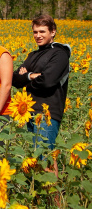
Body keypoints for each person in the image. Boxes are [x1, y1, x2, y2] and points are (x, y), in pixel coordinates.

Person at [12, 14, 70, 151]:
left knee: (44, 156)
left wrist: (26, 76)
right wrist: (32, 76)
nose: (38, 35)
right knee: (38, 159)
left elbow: (47, 81)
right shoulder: (32, 55)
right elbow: (15, 79)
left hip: (47, 114)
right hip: (29, 111)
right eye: (35, 32)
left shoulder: (59, 54)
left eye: (42, 31)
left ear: (53, 32)